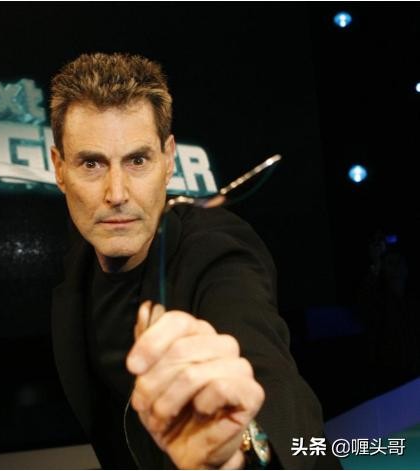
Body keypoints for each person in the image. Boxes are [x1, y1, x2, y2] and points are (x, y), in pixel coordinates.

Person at [48, 53, 339, 469]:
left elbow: (270, 385)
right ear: (60, 169)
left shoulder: (218, 252)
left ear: (168, 160)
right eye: (92, 164)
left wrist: (236, 449)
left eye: (137, 161)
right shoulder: (77, 266)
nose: (117, 193)